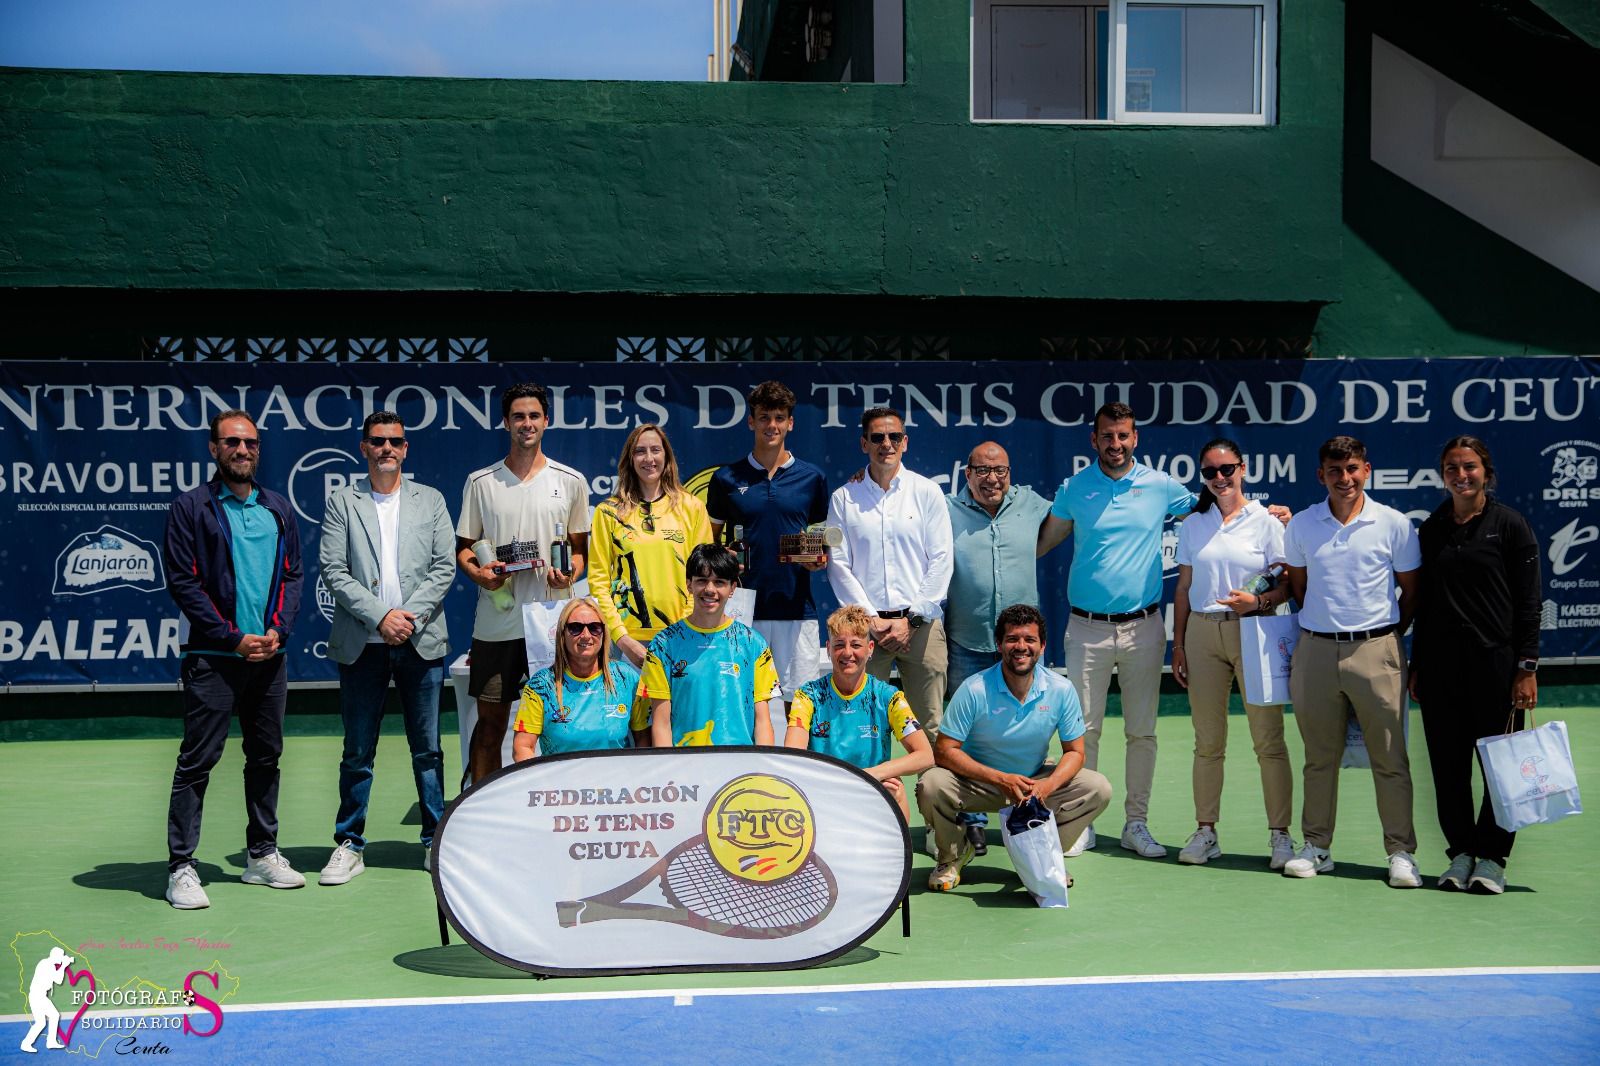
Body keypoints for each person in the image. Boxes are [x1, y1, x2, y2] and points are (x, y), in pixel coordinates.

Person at [1036, 401, 1197, 860]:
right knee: (1082, 732)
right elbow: (1042, 542)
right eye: (1107, 436)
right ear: (1094, 440)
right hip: (1086, 629)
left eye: (1123, 435)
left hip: (1144, 628)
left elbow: (1214, 512)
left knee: (1141, 731)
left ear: (1135, 438)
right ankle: (1081, 820)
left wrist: (1266, 515)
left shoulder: (1161, 485)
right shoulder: (1074, 488)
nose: (1116, 443)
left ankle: (1136, 824)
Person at [161, 409, 306, 909]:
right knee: (198, 763)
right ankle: (182, 867)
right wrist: (231, 638)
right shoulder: (190, 508)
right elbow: (183, 581)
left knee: (266, 757)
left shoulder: (279, 509)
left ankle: (261, 855)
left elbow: (292, 577)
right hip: (213, 659)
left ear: (258, 450)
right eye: (231, 443)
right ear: (213, 449)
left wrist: (275, 631)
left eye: (249, 443)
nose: (241, 451)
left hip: (270, 657)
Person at [317, 412, 456, 887]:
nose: (387, 449)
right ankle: (349, 844)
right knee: (357, 751)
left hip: (420, 640)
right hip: (363, 645)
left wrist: (406, 616)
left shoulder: (431, 501)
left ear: (406, 448)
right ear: (363, 448)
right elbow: (334, 570)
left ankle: (435, 839)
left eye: (395, 441)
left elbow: (443, 568)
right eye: (378, 441)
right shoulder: (343, 502)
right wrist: (381, 616)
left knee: (428, 750)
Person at [1282, 436, 1422, 888]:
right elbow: (1300, 589)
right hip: (1316, 652)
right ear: (1321, 474)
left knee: (1390, 758)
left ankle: (1401, 853)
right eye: (1335, 471)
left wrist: (1383, 637)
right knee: (1318, 759)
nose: (1345, 479)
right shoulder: (1302, 525)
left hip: (1377, 650)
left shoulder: (1395, 524)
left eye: (1353, 469)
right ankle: (1317, 847)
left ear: (1367, 470)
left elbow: (1411, 591)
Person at [1411, 436, 1540, 895]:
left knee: (1500, 769)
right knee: (1448, 769)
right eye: (1451, 467)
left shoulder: (1511, 525)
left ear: (1485, 471)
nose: (1460, 475)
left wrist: (1526, 667)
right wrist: (1417, 665)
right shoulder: (1432, 528)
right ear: (1442, 474)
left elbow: (1529, 602)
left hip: (1498, 667)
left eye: (1469, 467)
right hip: (1442, 669)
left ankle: (1493, 858)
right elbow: (1424, 605)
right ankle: (1461, 854)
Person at [916, 604, 1113, 892]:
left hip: (1034, 782)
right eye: (1012, 639)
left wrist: (1046, 787)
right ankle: (953, 857)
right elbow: (944, 751)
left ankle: (1043, 859)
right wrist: (999, 779)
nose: (1021, 647)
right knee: (930, 784)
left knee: (1098, 788)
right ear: (999, 644)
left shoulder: (1061, 689)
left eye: (1030, 639)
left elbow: (1075, 752)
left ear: (1042, 646)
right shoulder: (974, 689)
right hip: (980, 784)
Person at [1170, 438, 1295, 870]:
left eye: (1227, 470)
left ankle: (1281, 837)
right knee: (1208, 743)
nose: (1220, 478)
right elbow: (1183, 588)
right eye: (1210, 472)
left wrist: (1257, 603)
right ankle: (1206, 831)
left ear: (1243, 469)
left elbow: (1288, 585)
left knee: (1269, 741)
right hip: (1203, 635)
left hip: (1256, 633)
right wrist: (1180, 644)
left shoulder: (1267, 521)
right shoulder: (1193, 525)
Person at [456, 383, 590, 784]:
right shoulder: (481, 482)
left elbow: (580, 552)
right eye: (518, 416)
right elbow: (463, 550)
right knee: (490, 729)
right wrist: (480, 574)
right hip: (498, 625)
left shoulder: (570, 480)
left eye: (534, 416)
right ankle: (483, 815)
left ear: (546, 421)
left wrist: (570, 574)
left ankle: (551, 811)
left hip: (552, 623)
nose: (526, 424)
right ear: (506, 423)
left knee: (558, 726)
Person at [944, 441, 1055, 855]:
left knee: (1026, 729)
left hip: (1021, 645)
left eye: (1001, 471)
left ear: (1011, 474)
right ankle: (970, 820)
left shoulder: (1031, 504)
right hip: (967, 640)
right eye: (983, 470)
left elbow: (1078, 513)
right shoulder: (945, 510)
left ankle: (1025, 809)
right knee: (966, 733)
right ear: (967, 473)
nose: (993, 479)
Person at [707, 380, 832, 736]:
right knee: (742, 700)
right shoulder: (726, 478)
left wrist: (817, 558)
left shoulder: (813, 477)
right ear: (751, 422)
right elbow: (710, 546)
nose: (772, 426)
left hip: (796, 606)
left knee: (801, 705)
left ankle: (804, 776)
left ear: (791, 423)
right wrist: (726, 559)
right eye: (764, 418)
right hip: (743, 610)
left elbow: (819, 540)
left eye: (780, 418)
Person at [827, 407, 953, 736]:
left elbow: (942, 559)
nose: (887, 443)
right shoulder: (843, 498)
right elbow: (838, 564)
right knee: (862, 725)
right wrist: (872, 620)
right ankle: (868, 789)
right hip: (865, 631)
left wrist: (910, 620)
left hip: (921, 629)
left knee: (931, 727)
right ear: (863, 444)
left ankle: (930, 790)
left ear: (905, 442)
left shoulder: (928, 492)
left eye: (894, 436)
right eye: (878, 437)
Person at [784, 605, 935, 821]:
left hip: (870, 787)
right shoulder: (807, 696)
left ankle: (893, 854)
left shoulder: (889, 697)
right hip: (825, 791)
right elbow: (793, 754)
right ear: (828, 648)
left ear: (870, 648)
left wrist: (876, 774)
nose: (847, 653)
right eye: (838, 645)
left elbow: (925, 755)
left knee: (896, 789)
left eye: (856, 644)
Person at [589, 423, 712, 668]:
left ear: (666, 457)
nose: (649, 458)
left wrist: (685, 628)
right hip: (623, 642)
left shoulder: (691, 508)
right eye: (640, 451)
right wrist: (622, 638)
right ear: (630, 459)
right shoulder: (609, 512)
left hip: (682, 635)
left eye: (655, 450)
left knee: (676, 707)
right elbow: (598, 582)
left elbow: (704, 574)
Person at [641, 544, 780, 747]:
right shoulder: (662, 646)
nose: (710, 590)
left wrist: (761, 768)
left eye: (719, 582)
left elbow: (763, 721)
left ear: (733, 588)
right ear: (689, 584)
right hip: (686, 769)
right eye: (702, 581)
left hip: (740, 765)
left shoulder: (753, 643)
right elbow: (661, 724)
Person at [513, 597, 645, 760]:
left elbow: (644, 740)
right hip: (561, 784)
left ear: (603, 633)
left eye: (594, 627)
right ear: (562, 634)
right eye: (575, 628)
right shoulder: (540, 685)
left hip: (615, 782)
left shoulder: (626, 677)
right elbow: (523, 747)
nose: (586, 635)